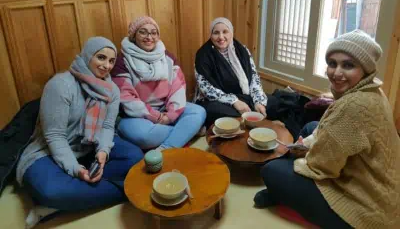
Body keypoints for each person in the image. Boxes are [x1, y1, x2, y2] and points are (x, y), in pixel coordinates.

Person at [254, 30, 400, 229]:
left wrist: (302, 153)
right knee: (310, 127)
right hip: (385, 190)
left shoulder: (353, 106)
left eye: (348, 65)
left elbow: (322, 166)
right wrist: (307, 145)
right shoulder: (375, 91)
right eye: (332, 63)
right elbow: (329, 133)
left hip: (367, 208)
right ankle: (284, 190)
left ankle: (281, 192)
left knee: (271, 170)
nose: (336, 73)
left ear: (365, 69)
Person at [16, 37, 144, 213]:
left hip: (88, 147)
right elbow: (54, 136)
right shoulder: (60, 85)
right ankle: (129, 191)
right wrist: (76, 170)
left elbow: (107, 127)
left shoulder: (111, 89)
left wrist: (103, 151)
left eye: (111, 60)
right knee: (51, 191)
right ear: (87, 55)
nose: (106, 65)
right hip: (49, 151)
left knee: (135, 157)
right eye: (101, 57)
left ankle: (66, 202)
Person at [111, 16, 206, 150]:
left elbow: (177, 88)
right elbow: (128, 99)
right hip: (136, 116)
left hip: (166, 109)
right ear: (134, 36)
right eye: (143, 32)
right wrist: (157, 117)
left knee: (199, 112)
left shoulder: (168, 57)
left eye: (153, 32)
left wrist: (170, 116)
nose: (149, 37)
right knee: (143, 136)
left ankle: (166, 148)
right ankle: (188, 132)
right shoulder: (121, 61)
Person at [194, 17, 268, 128]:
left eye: (225, 32)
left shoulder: (242, 50)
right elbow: (207, 89)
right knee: (226, 113)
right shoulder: (203, 55)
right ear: (211, 35)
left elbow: (253, 78)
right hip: (214, 100)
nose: (221, 37)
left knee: (273, 103)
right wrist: (234, 101)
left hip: (241, 95)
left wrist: (258, 101)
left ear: (231, 33)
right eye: (216, 33)